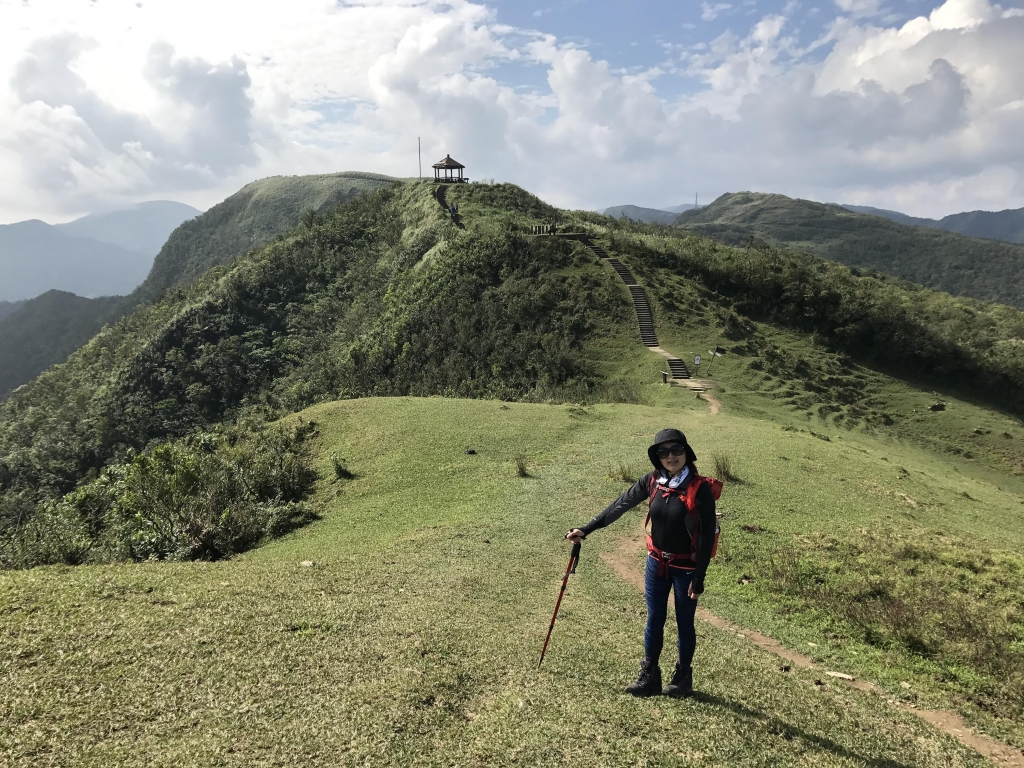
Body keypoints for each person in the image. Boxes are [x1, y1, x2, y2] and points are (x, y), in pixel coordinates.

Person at [566, 428, 717, 698]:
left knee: (685, 622)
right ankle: (649, 676)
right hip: (656, 563)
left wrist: (699, 577)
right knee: (654, 619)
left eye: (676, 450)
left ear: (686, 452)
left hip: (686, 569)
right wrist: (585, 529)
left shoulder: (699, 487)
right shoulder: (652, 481)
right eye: (663, 452)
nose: (670, 456)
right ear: (656, 457)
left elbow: (706, 536)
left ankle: (683, 678)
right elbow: (619, 505)